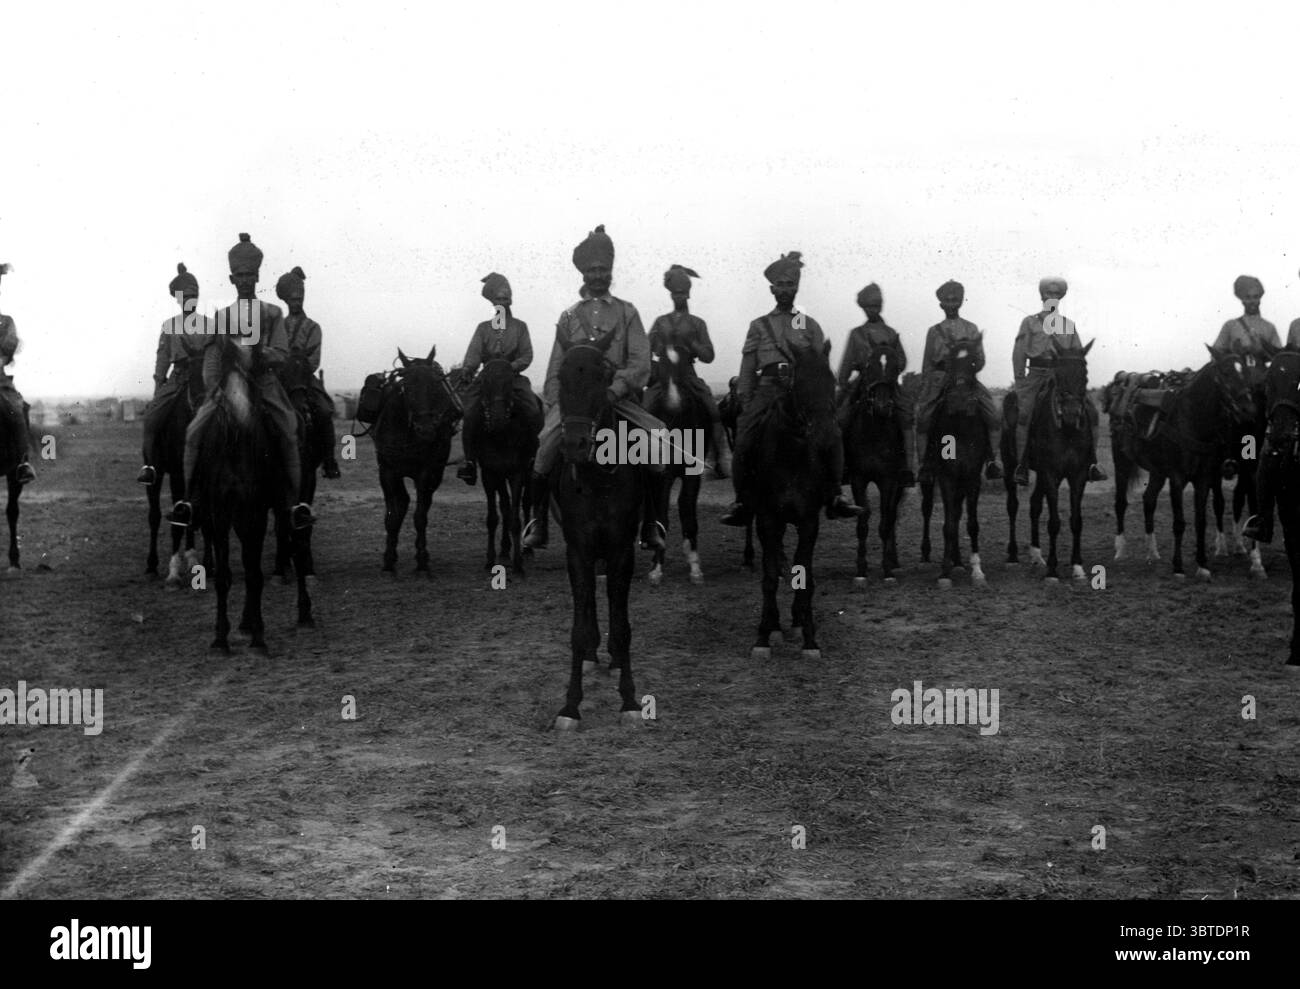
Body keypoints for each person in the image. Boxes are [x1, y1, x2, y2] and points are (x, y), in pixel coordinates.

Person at [521, 224, 670, 551]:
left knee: (658, 440)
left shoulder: (628, 312)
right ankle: (539, 522)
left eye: (603, 269)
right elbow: (554, 368)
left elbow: (641, 362)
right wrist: (560, 404)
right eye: (592, 270)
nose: (598, 275)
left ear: (611, 272)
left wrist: (615, 389)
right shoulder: (569, 316)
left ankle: (651, 524)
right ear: (583, 275)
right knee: (544, 446)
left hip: (616, 400)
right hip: (577, 404)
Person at [170, 233, 313, 531]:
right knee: (194, 432)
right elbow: (211, 357)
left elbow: (283, 354)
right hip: (226, 386)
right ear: (232, 279)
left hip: (264, 384)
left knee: (288, 428)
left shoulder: (272, 313)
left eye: (251, 275)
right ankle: (189, 502)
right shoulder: (221, 316)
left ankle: (294, 504)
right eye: (240, 275)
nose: (246, 280)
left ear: (257, 276)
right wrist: (214, 388)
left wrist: (262, 354)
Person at [720, 251, 862, 526]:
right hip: (768, 390)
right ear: (772, 289)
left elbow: (820, 368)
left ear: (797, 287)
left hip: (803, 395)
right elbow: (748, 369)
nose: (785, 290)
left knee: (832, 433)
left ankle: (835, 495)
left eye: (790, 284)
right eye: (781, 285)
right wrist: (747, 402)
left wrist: (825, 402)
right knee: (745, 437)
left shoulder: (808, 325)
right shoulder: (759, 326)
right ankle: (742, 501)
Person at [1010, 277, 1107, 485]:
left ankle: (1092, 463)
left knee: (1091, 412)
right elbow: (1019, 352)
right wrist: (1021, 380)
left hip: (1063, 378)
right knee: (1025, 413)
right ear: (1042, 296)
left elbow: (1079, 354)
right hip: (1036, 375)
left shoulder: (1067, 325)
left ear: (1060, 298)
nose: (1051, 298)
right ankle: (1022, 465)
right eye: (1048, 294)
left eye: (1056, 294)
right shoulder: (1030, 322)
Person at [455, 272, 544, 485]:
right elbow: (474, 353)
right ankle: (470, 462)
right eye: (497, 300)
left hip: (513, 378)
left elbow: (527, 354)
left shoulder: (520, 327)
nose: (501, 304)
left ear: (510, 301)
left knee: (532, 408)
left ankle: (533, 457)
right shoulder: (483, 328)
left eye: (505, 300)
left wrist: (510, 367)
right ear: (492, 303)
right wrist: (468, 369)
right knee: (470, 412)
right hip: (487, 378)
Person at [642, 264, 730, 477]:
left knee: (712, 408)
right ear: (670, 295)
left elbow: (709, 356)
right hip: (663, 375)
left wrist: (693, 344)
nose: (678, 297)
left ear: (688, 293)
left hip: (688, 374)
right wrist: (656, 359)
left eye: (681, 293)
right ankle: (641, 456)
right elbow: (644, 350)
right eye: (674, 293)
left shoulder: (698, 323)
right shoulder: (660, 322)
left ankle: (720, 455)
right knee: (645, 409)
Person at [914, 280, 1004, 483]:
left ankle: (991, 461)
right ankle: (925, 465)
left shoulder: (972, 329)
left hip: (966, 378)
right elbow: (927, 363)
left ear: (961, 302)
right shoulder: (934, 331)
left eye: (955, 300)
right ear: (941, 305)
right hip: (940, 379)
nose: (951, 304)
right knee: (924, 418)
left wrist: (967, 368)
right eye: (947, 300)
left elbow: (980, 360)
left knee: (993, 414)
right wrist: (927, 390)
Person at [835, 282, 916, 486]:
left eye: (876, 306)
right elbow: (845, 365)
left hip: (888, 382)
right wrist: (844, 382)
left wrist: (891, 367)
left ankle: (907, 468)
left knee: (906, 415)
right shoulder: (856, 334)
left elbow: (903, 360)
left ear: (881, 306)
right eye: (869, 307)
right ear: (863, 308)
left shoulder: (891, 333)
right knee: (841, 417)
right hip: (863, 382)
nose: (873, 310)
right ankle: (841, 467)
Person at [138, 264, 211, 484]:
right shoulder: (169, 326)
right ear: (178, 300)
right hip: (178, 378)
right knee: (152, 417)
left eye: (193, 296)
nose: (190, 300)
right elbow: (162, 359)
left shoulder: (209, 325)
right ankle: (150, 465)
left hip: (205, 380)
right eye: (186, 297)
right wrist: (158, 386)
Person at [275, 266, 341, 480]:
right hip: (280, 377)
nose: (296, 302)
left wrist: (297, 368)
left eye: (299, 298)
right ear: (286, 301)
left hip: (304, 378)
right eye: (293, 299)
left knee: (323, 410)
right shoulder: (278, 326)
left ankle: (329, 461)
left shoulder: (313, 327)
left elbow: (313, 360)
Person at [0, 262, 36, 484]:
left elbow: (9, 344)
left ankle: (22, 462)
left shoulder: (6, 321)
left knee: (17, 409)